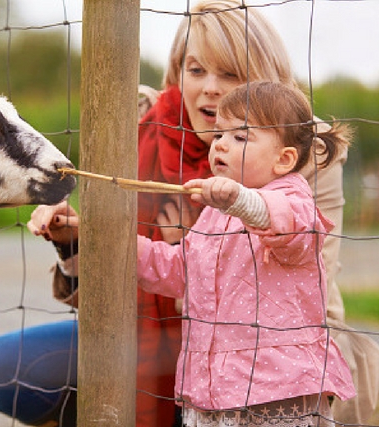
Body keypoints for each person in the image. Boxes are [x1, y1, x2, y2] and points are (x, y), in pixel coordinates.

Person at [0, 1, 379, 425]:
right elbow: (156, 271)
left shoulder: (299, 156)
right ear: (177, 72)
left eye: (230, 73)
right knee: (3, 367)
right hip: (160, 335)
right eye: (196, 69)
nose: (210, 87)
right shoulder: (141, 130)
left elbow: (293, 243)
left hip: (270, 351)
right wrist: (85, 237)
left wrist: (235, 205)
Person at [137, 80, 356, 426]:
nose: (221, 145)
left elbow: (283, 225)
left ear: (284, 159)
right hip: (213, 389)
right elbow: (182, 271)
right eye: (219, 134)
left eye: (240, 137)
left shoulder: (295, 202)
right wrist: (114, 242)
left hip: (275, 392)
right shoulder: (214, 212)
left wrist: (238, 200)